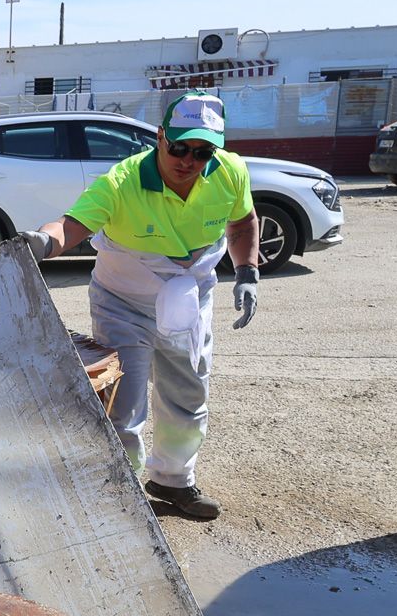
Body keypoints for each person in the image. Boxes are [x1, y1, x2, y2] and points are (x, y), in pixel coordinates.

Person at [19, 93, 260, 520]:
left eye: (202, 151)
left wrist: (247, 272)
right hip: (124, 301)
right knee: (124, 400)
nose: (188, 159)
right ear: (161, 137)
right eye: (179, 147)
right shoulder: (124, 181)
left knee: (188, 392)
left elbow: (242, 222)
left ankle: (172, 482)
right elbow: (72, 224)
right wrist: (44, 242)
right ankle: (120, 489)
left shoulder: (230, 173)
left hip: (188, 298)